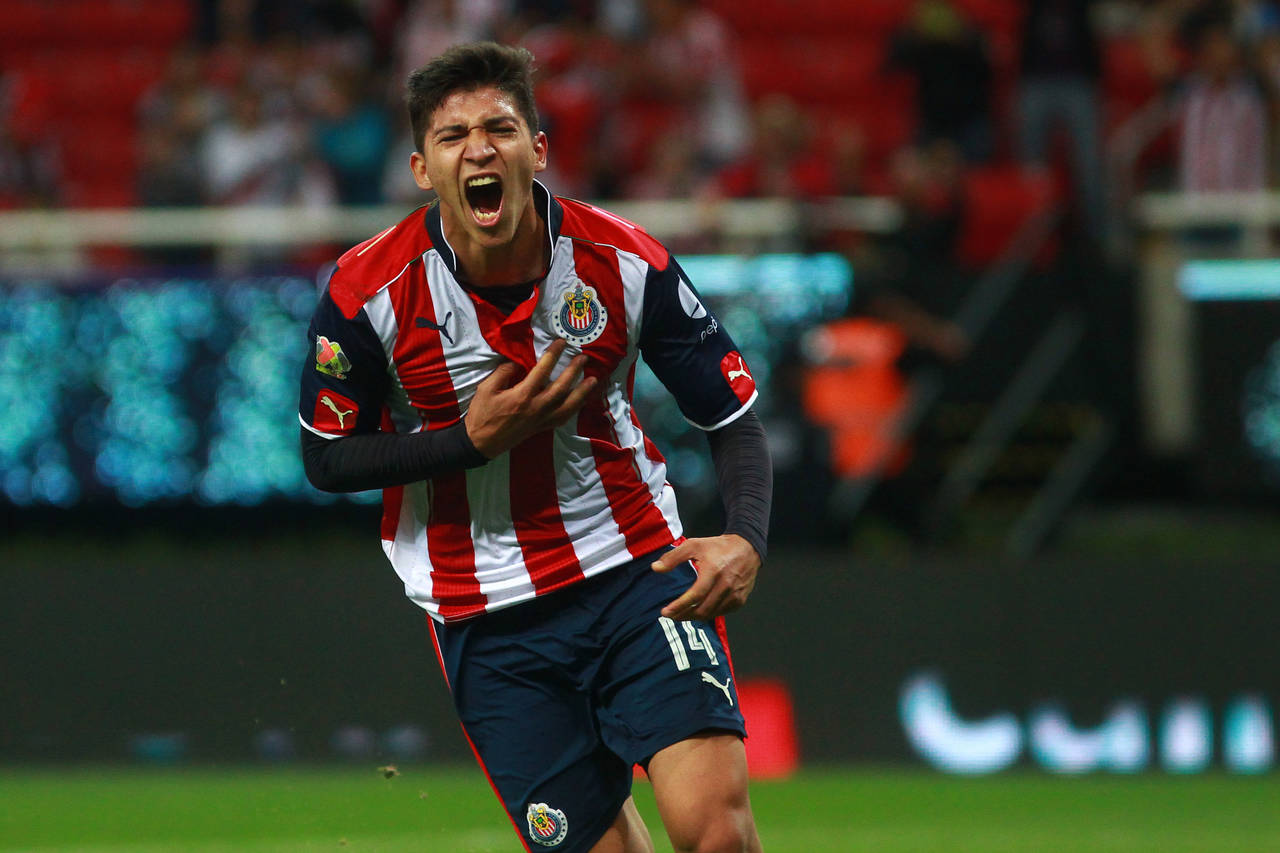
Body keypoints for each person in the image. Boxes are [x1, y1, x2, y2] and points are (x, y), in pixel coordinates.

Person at [298, 42, 771, 853]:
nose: (479, 149)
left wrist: (746, 537)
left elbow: (731, 416)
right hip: (485, 614)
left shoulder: (623, 261)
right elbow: (327, 458)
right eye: (453, 136)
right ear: (421, 169)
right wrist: (467, 442)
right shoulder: (365, 292)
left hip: (635, 572)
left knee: (717, 835)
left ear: (538, 150)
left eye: (500, 128)